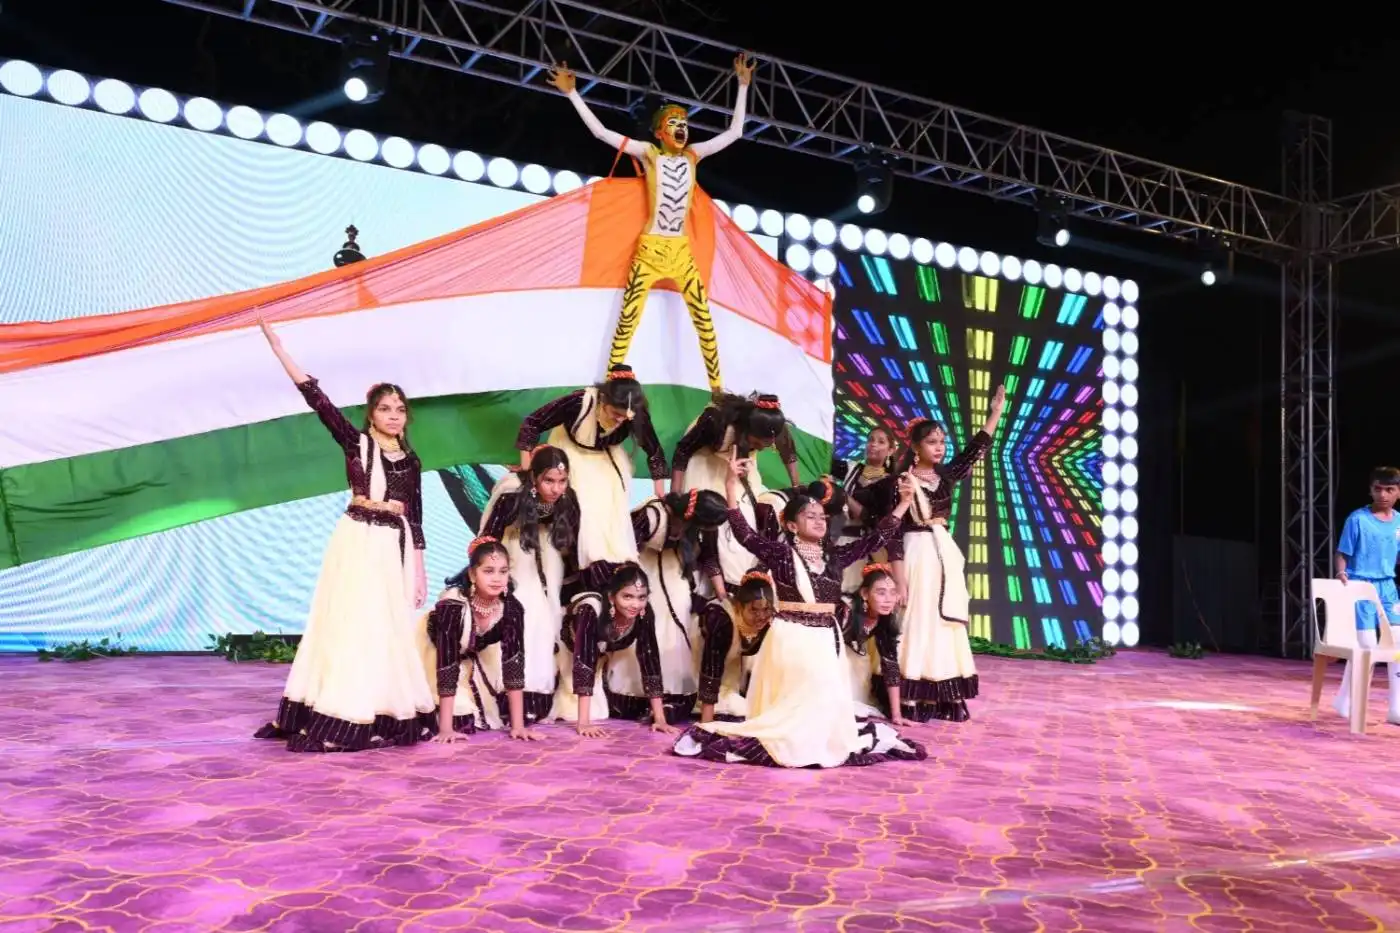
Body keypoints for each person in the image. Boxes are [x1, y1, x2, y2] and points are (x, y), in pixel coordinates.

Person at [252, 320, 435, 753]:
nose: (394, 415)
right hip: (357, 539)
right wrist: (280, 351)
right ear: (371, 415)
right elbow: (317, 400)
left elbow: (416, 516)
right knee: (350, 620)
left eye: (400, 409)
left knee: (385, 625)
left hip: (393, 546)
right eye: (385, 409)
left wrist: (420, 569)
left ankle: (379, 706)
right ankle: (341, 709)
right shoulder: (356, 444)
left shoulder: (411, 460)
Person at [674, 453, 925, 768]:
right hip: (791, 637)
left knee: (822, 703)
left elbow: (876, 538)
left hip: (826, 638)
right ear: (791, 525)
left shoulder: (834, 557)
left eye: (822, 516)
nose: (819, 520)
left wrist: (904, 504)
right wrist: (730, 485)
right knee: (792, 705)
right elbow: (745, 535)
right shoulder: (781, 554)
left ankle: (815, 740)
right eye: (810, 516)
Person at [547, 53, 755, 393]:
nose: (682, 128)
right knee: (628, 320)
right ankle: (611, 387)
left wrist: (743, 86)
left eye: (684, 123)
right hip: (650, 251)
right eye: (674, 123)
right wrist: (573, 94)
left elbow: (735, 131)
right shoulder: (649, 153)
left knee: (704, 321)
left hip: (681, 252)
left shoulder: (694, 155)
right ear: (660, 132)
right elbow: (601, 133)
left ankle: (718, 391)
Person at [866, 387, 1005, 723]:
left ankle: (943, 693)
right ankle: (908, 695)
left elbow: (974, 450)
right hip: (914, 556)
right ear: (916, 447)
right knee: (913, 620)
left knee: (942, 621)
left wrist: (995, 414)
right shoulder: (901, 482)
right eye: (932, 442)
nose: (939, 447)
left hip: (942, 555)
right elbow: (894, 535)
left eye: (942, 442)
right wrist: (899, 580)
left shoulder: (945, 477)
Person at [515, 365, 667, 576]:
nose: (620, 419)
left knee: (612, 504)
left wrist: (660, 490)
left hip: (605, 455)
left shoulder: (633, 413)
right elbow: (532, 423)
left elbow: (654, 450)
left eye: (625, 417)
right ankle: (587, 562)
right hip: (570, 449)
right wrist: (527, 470)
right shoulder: (579, 402)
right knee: (584, 501)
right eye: (616, 413)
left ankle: (614, 562)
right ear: (604, 399)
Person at [595, 490, 729, 723]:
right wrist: (628, 590)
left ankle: (667, 696)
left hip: (676, 575)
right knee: (647, 628)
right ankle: (636, 695)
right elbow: (625, 550)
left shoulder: (702, 525)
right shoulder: (653, 515)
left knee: (676, 630)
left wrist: (722, 594)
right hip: (641, 572)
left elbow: (709, 557)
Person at [478, 446, 581, 721]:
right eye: (549, 481)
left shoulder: (568, 500)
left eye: (562, 481)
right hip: (515, 560)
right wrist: (496, 576)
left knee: (546, 623)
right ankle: (509, 697)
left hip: (550, 562)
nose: (556, 488)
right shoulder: (512, 497)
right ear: (534, 477)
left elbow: (573, 551)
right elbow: (487, 540)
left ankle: (537, 696)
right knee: (521, 618)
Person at [673, 392, 802, 596]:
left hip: (740, 468)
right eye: (756, 444)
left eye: (765, 446)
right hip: (705, 465)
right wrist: (675, 497)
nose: (759, 448)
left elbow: (789, 454)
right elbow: (682, 453)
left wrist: (796, 487)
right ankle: (709, 589)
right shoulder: (716, 423)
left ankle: (742, 583)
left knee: (746, 518)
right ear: (747, 428)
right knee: (715, 518)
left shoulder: (772, 426)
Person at [420, 537, 541, 742]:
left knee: (501, 711)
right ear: (472, 574)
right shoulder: (453, 605)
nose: (497, 578)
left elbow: (513, 662)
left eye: (503, 571)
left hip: (474, 657)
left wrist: (518, 727)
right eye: (488, 571)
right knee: (457, 718)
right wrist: (445, 729)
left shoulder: (511, 609)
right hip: (435, 654)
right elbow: (447, 662)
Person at [557, 563, 678, 738]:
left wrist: (660, 719)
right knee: (572, 711)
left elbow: (649, 660)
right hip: (564, 653)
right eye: (627, 596)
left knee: (602, 711)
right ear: (612, 597)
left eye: (641, 597)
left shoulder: (643, 613)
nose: (635, 604)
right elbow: (584, 661)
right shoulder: (590, 610)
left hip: (597, 662)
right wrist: (583, 722)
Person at [1333, 466, 1400, 723]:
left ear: (1398, 492)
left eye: (1389, 489)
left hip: (1388, 587)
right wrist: (1342, 573)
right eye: (1378, 489)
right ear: (1371, 490)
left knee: (1397, 645)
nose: (1383, 494)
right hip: (1361, 584)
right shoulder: (1358, 519)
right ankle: (1346, 700)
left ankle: (1396, 708)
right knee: (1367, 646)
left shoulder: (1398, 522)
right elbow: (1342, 552)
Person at [697, 570, 774, 723]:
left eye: (766, 609)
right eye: (754, 610)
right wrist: (706, 723)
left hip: (729, 683)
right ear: (739, 606)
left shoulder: (769, 621)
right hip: (699, 680)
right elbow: (711, 666)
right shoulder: (720, 617)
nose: (761, 616)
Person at [834, 427, 899, 594]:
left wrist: (844, 496)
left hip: (869, 548)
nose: (873, 444)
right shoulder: (851, 469)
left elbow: (874, 519)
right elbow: (819, 459)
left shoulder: (891, 484)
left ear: (891, 450)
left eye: (880, 442)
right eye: (871, 440)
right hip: (841, 540)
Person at [843, 563, 909, 724]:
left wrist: (896, 715)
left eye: (893, 592)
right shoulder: (845, 610)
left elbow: (890, 665)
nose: (888, 599)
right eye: (881, 592)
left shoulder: (883, 620)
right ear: (865, 594)